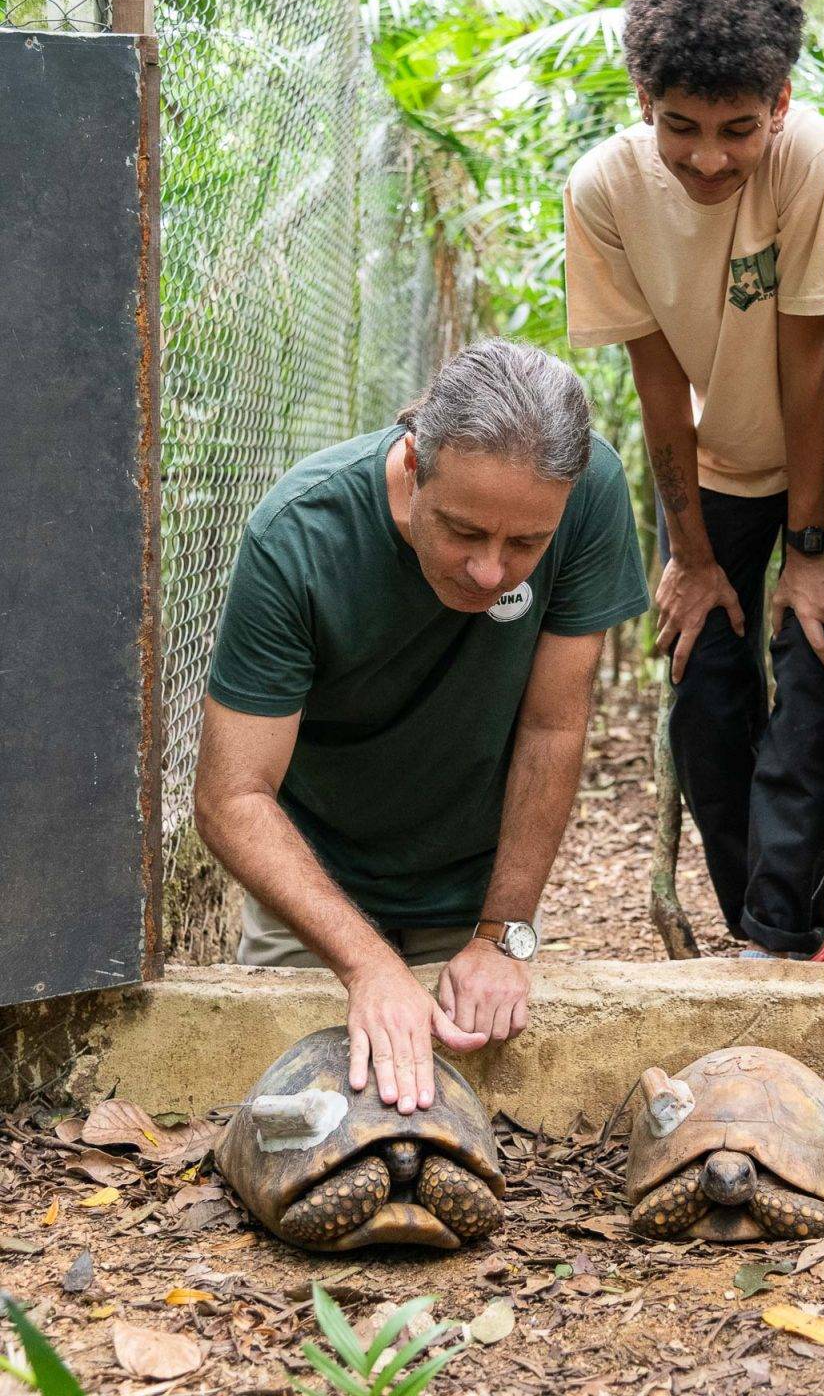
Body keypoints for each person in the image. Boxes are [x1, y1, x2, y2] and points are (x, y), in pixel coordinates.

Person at [193, 339, 649, 1111]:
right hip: (313, 888)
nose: (490, 571)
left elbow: (552, 726)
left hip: (473, 892)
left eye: (526, 544)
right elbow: (231, 797)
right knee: (302, 1112)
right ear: (413, 464)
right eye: (464, 532)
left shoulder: (590, 489)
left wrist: (502, 934)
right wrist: (367, 965)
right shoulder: (297, 536)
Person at [563, 0, 824, 961]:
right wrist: (690, 556)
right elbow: (656, 381)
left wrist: (808, 550)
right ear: (645, 102)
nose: (708, 159)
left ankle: (785, 943)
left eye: (737, 130)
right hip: (712, 465)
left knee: (813, 680)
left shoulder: (811, 159)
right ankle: (751, 931)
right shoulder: (604, 189)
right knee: (703, 695)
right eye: (681, 127)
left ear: (779, 105)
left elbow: (808, 364)